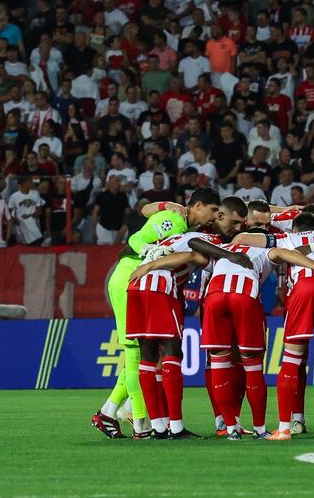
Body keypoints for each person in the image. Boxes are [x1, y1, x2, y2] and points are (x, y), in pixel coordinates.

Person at [91, 188, 221, 440]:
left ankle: (110, 411)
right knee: (137, 353)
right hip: (132, 274)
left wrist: (161, 205)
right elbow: (135, 239)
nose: (214, 215)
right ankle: (139, 423)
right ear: (198, 205)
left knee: (144, 354)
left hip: (142, 278)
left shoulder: (182, 223)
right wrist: (150, 252)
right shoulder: (175, 220)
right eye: (213, 210)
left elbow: (145, 210)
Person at [198, 226, 314, 440]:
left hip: (214, 296)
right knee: (252, 365)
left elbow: (192, 249)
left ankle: (230, 428)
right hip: (244, 294)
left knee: (219, 362)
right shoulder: (265, 251)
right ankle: (260, 429)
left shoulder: (222, 250)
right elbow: (286, 253)